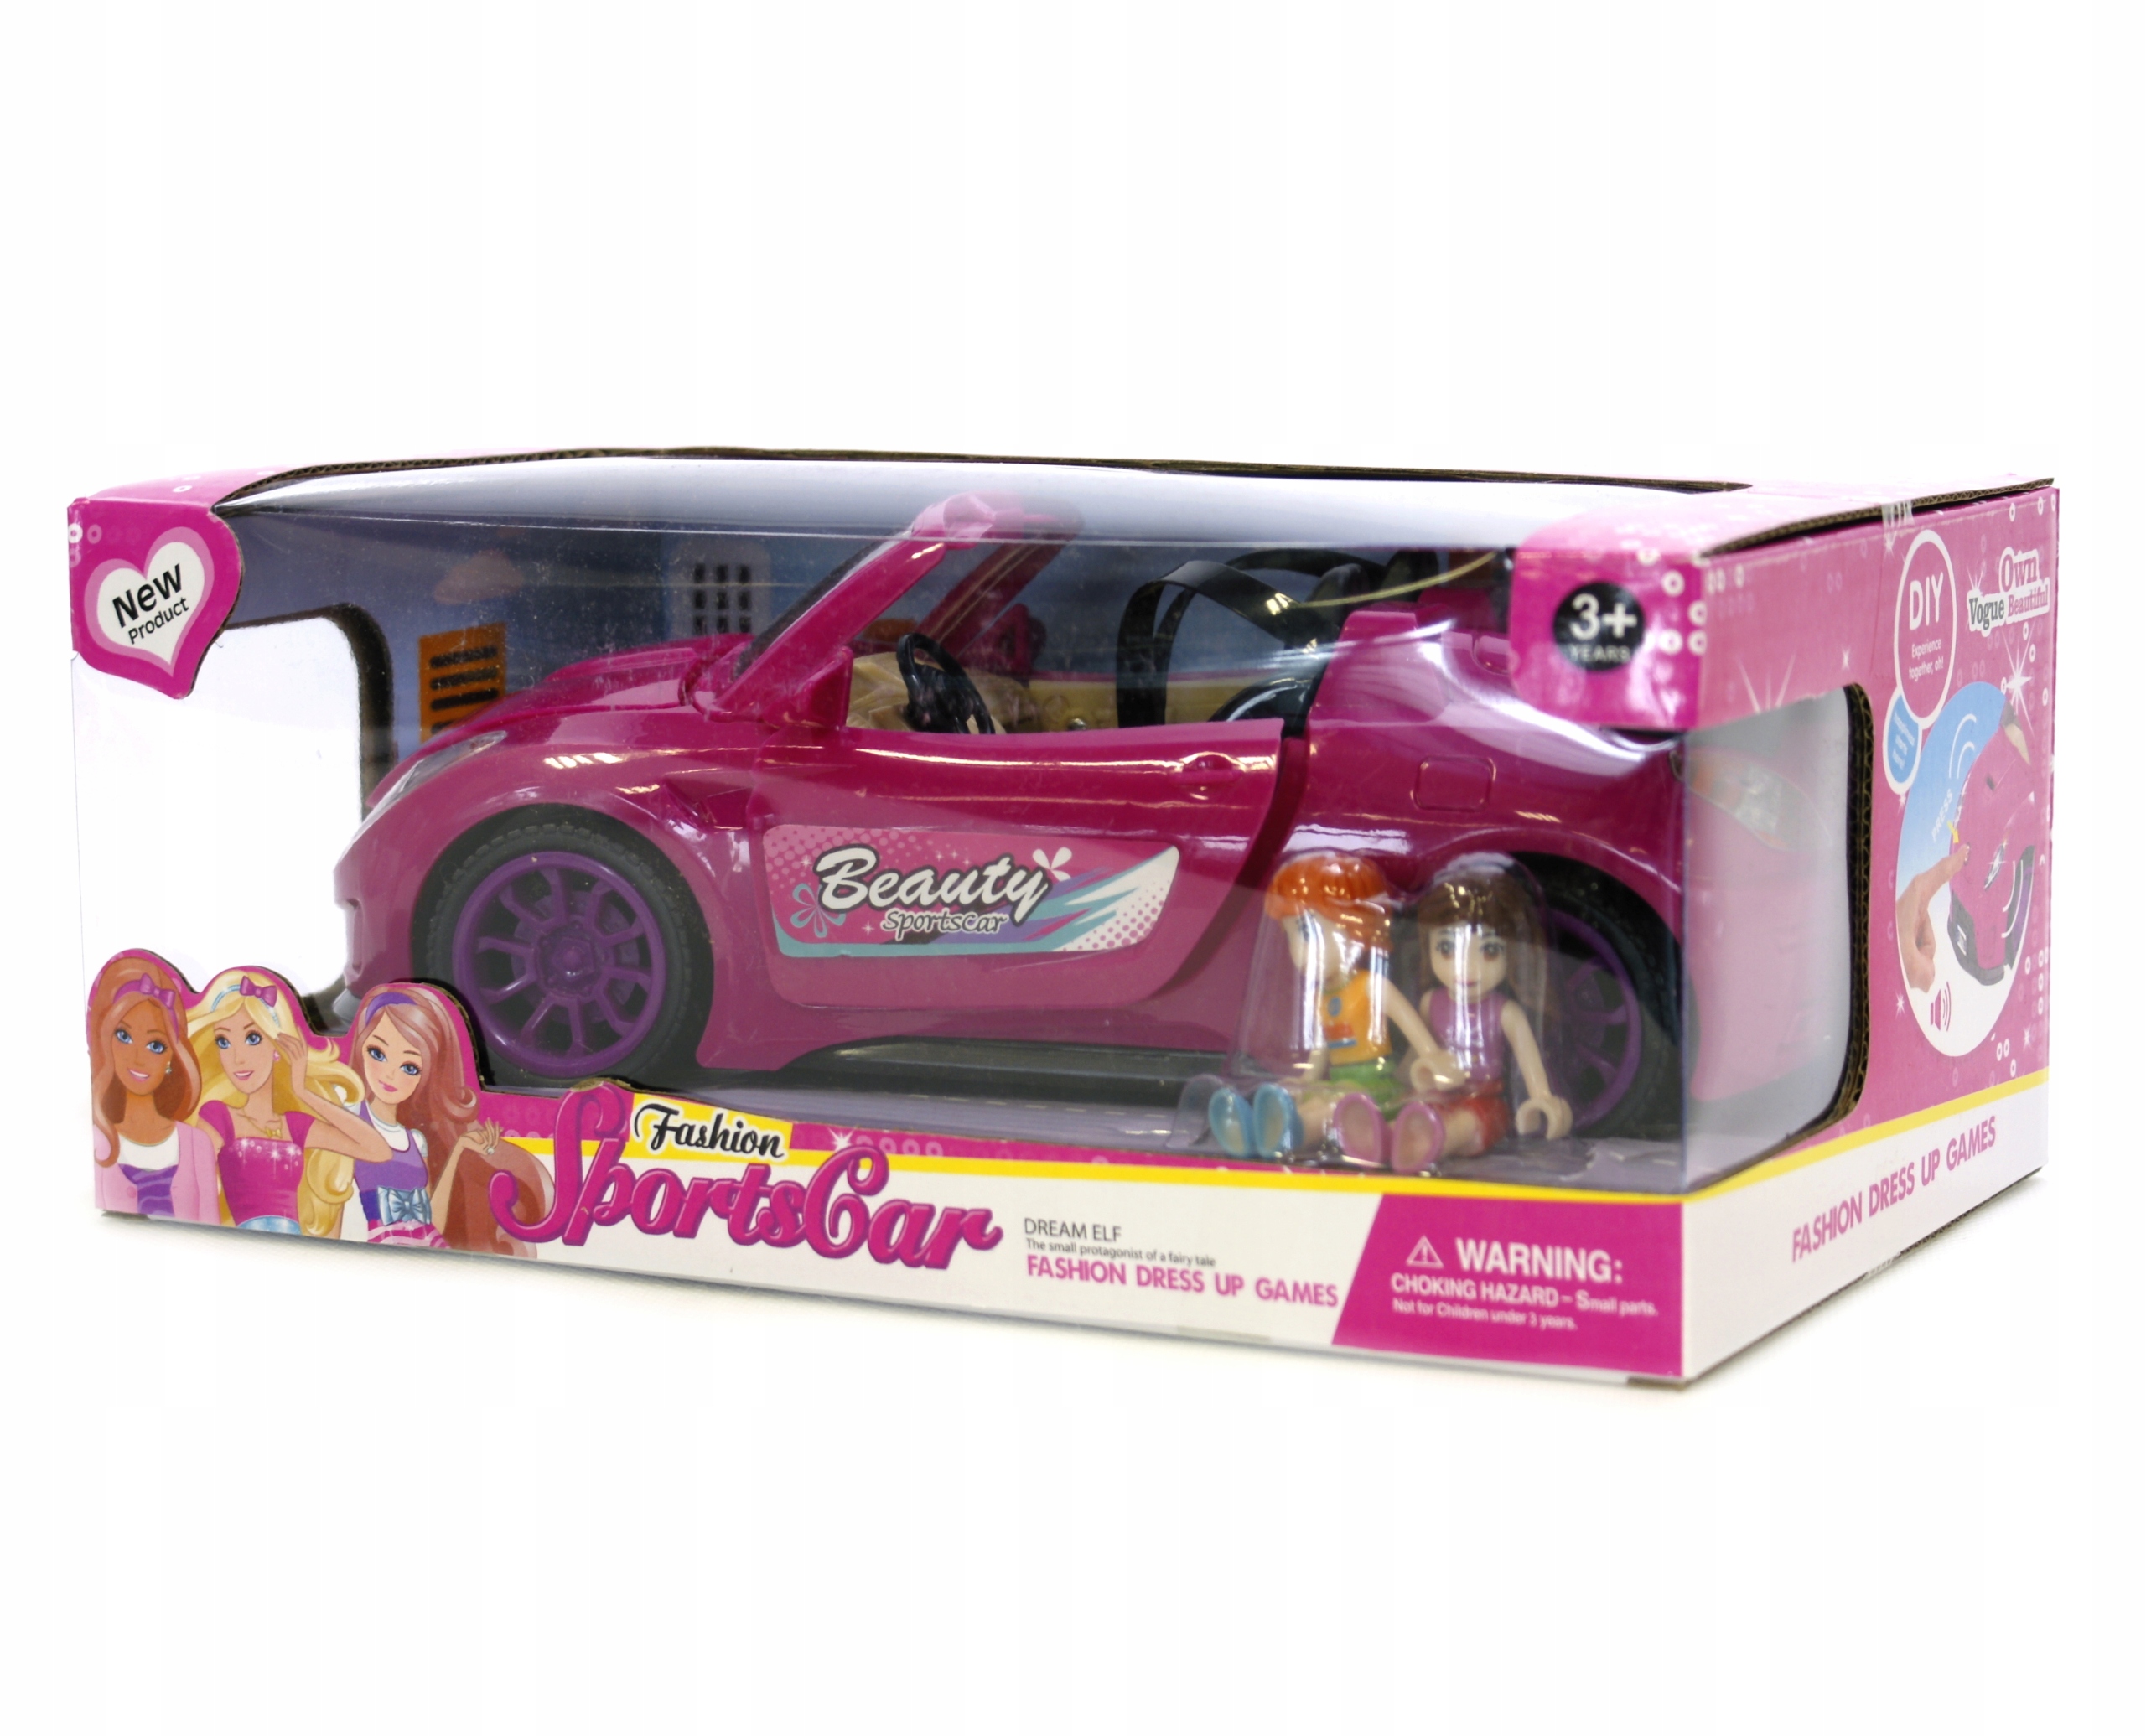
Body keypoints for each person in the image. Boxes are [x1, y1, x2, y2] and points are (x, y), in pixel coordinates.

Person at [1389, 859, 1573, 1174]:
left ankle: (1430, 1141)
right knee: (1408, 1110)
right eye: (1446, 948)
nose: (1467, 968)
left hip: (1485, 1103)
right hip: (1436, 1095)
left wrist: (1543, 1099)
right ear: (1426, 946)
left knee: (1464, 1124)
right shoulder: (1431, 1002)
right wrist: (1406, 1081)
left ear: (1511, 955)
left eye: (1489, 951)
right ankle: (1386, 1136)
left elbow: (1530, 1065)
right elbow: (1413, 1060)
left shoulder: (1506, 1012)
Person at [187, 970, 389, 1236]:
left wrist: (303, 1092)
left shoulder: (295, 1125)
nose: (237, 1058)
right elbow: (194, 1186)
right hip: (244, 1244)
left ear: (277, 1046)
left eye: (252, 1038)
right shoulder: (219, 1117)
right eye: (224, 1042)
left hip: (294, 1245)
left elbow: (377, 1150)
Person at [88, 955, 218, 1222]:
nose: (138, 1058)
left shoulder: (197, 1145)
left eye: (155, 1045)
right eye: (123, 1036)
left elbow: (211, 1220)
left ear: (172, 1057)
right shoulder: (102, 1139)